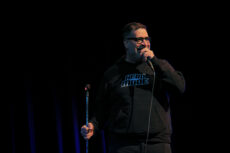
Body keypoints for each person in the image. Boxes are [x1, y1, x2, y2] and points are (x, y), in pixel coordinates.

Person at [81, 22, 185, 153]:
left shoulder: (158, 67)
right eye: (138, 39)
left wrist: (155, 61)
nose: (144, 43)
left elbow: (179, 87)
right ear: (125, 43)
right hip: (123, 145)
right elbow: (102, 109)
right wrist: (93, 126)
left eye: (147, 39)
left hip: (157, 144)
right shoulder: (112, 73)